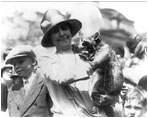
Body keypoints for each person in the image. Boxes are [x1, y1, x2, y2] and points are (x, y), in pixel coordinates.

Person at [39, 9, 123, 116]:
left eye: (64, 28)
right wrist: (95, 63)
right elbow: (62, 77)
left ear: (70, 31)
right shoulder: (46, 60)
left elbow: (108, 82)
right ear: (50, 37)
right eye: (55, 31)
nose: (61, 33)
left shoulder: (86, 54)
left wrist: (110, 98)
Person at [4, 45, 53, 117]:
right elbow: (13, 114)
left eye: (20, 62)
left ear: (33, 62)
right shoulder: (13, 90)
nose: (16, 66)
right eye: (14, 64)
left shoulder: (45, 83)